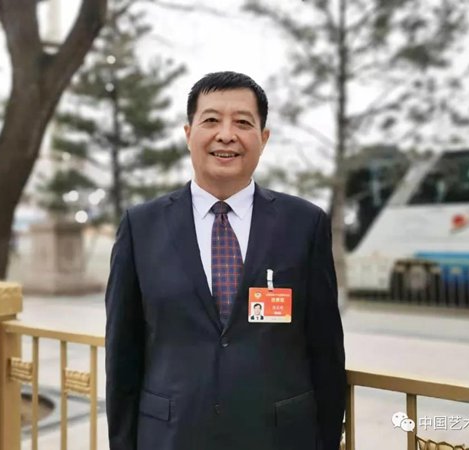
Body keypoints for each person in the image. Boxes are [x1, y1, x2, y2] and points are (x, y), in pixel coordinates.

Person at [105, 71, 346, 450]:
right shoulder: (141, 226)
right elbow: (122, 351)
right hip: (170, 437)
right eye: (212, 120)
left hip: (279, 438)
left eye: (243, 123)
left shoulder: (305, 224)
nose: (226, 135)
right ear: (189, 134)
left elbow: (325, 349)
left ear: (263, 138)